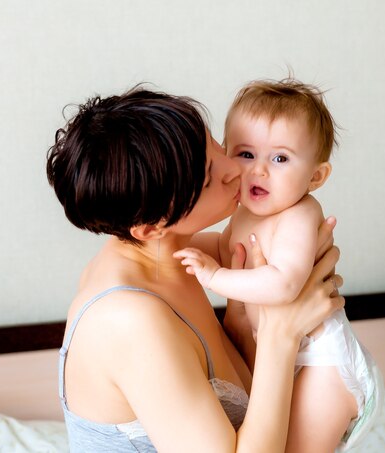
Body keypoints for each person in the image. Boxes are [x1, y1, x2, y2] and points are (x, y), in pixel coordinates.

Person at [46, 84, 346, 452]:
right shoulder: (128, 320)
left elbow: (249, 401)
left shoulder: (172, 258)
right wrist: (278, 336)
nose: (235, 168)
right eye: (208, 178)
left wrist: (240, 320)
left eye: (215, 146)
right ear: (152, 226)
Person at [174, 78, 383, 452]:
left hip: (324, 365)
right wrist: (176, 247)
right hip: (284, 355)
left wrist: (215, 276)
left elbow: (283, 283)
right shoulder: (245, 213)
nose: (259, 171)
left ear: (315, 177)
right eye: (246, 154)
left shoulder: (299, 215)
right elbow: (227, 250)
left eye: (280, 158)